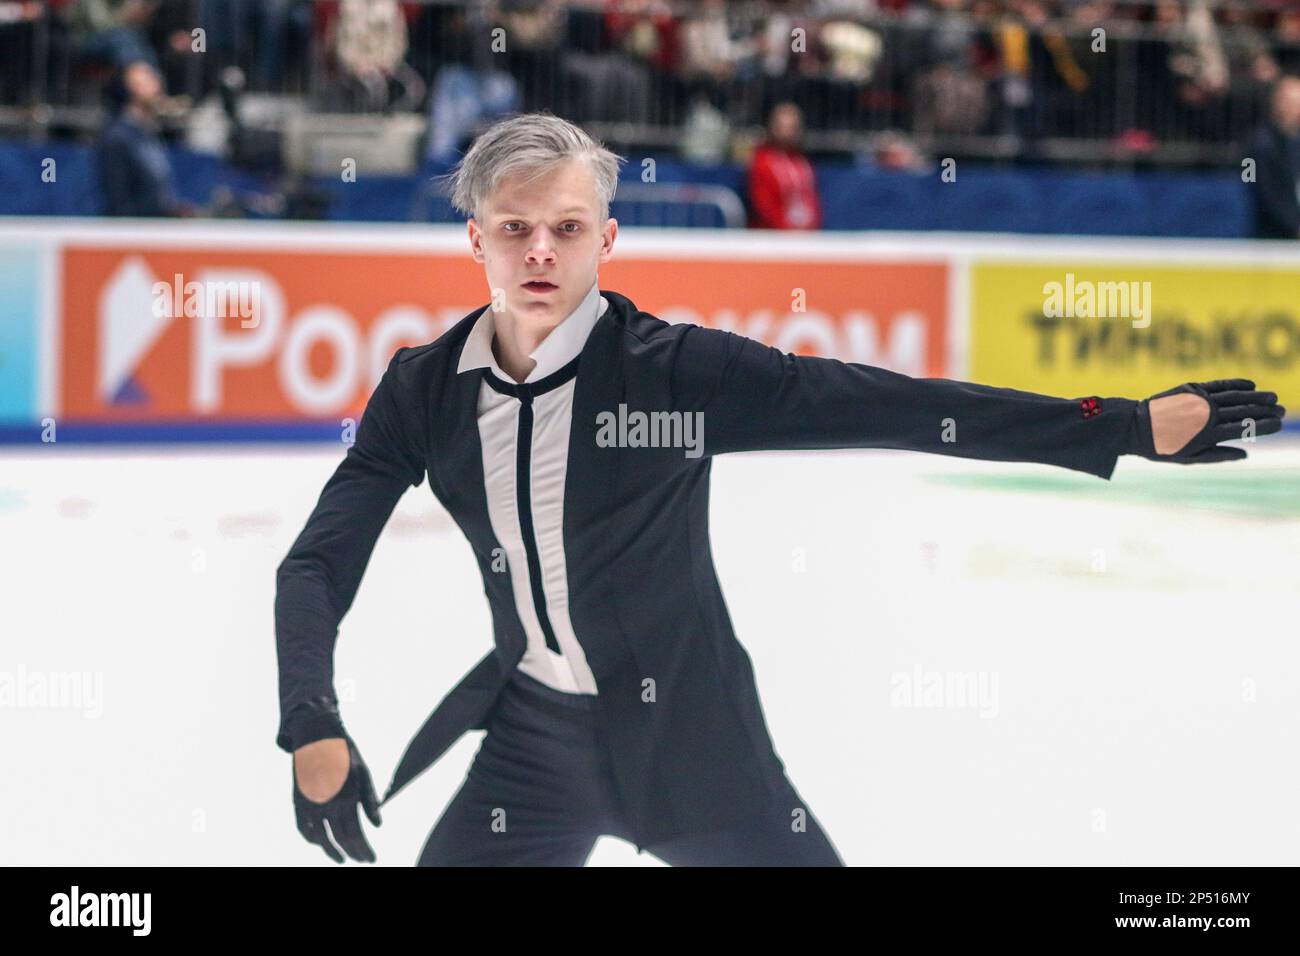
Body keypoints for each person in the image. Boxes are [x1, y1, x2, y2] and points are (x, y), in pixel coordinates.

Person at [274, 111, 1287, 867]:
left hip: (693, 736)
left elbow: (893, 403)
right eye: (516, 228)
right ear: (478, 239)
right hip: (532, 740)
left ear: (606, 240)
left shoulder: (673, 372)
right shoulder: (423, 389)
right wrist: (311, 717)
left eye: (568, 228)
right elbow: (318, 560)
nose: (541, 252)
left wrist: (1119, 425)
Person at [97, 59, 195, 217]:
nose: (156, 86)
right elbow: (117, 199)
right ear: (128, 90)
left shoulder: (149, 132)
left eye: (155, 79)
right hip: (132, 232)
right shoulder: (118, 137)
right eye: (145, 82)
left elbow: (158, 192)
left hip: (154, 229)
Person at [746, 100, 822, 230]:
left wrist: (811, 225)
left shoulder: (802, 162)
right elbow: (764, 203)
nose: (789, 133)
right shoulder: (762, 161)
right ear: (773, 127)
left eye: (793, 128)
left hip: (803, 233)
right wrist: (786, 228)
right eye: (784, 127)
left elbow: (810, 197)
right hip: (773, 235)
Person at [1250, 74, 1300, 239]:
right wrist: (1294, 225)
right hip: (1271, 237)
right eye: (1292, 102)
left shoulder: (1294, 140)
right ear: (1278, 102)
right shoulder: (1261, 145)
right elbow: (1264, 193)